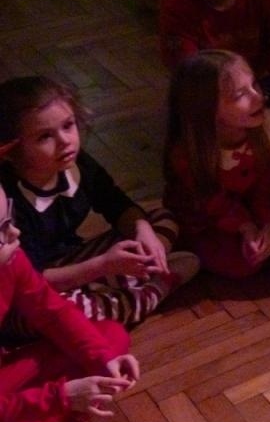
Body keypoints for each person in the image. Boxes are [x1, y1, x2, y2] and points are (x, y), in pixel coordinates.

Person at [0, 78, 196, 331]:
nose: (65, 141)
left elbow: (115, 203)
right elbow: (31, 278)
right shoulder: (8, 200)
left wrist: (143, 233)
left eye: (68, 125)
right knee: (50, 316)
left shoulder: (75, 164)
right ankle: (155, 287)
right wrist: (103, 266)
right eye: (45, 136)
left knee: (161, 218)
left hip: (70, 259)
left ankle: (122, 278)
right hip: (27, 287)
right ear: (13, 150)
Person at [0, 161, 138, 422]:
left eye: (10, 219)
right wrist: (61, 397)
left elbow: (53, 312)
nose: (15, 233)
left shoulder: (11, 259)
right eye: (2, 230)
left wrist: (103, 361)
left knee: (110, 339)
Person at [162, 51, 270, 278]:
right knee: (238, 263)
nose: (258, 97)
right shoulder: (188, 153)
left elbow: (267, 186)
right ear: (207, 110)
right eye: (239, 95)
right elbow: (212, 202)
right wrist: (246, 227)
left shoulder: (268, 127)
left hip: (252, 206)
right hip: (207, 218)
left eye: (255, 84)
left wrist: (268, 225)